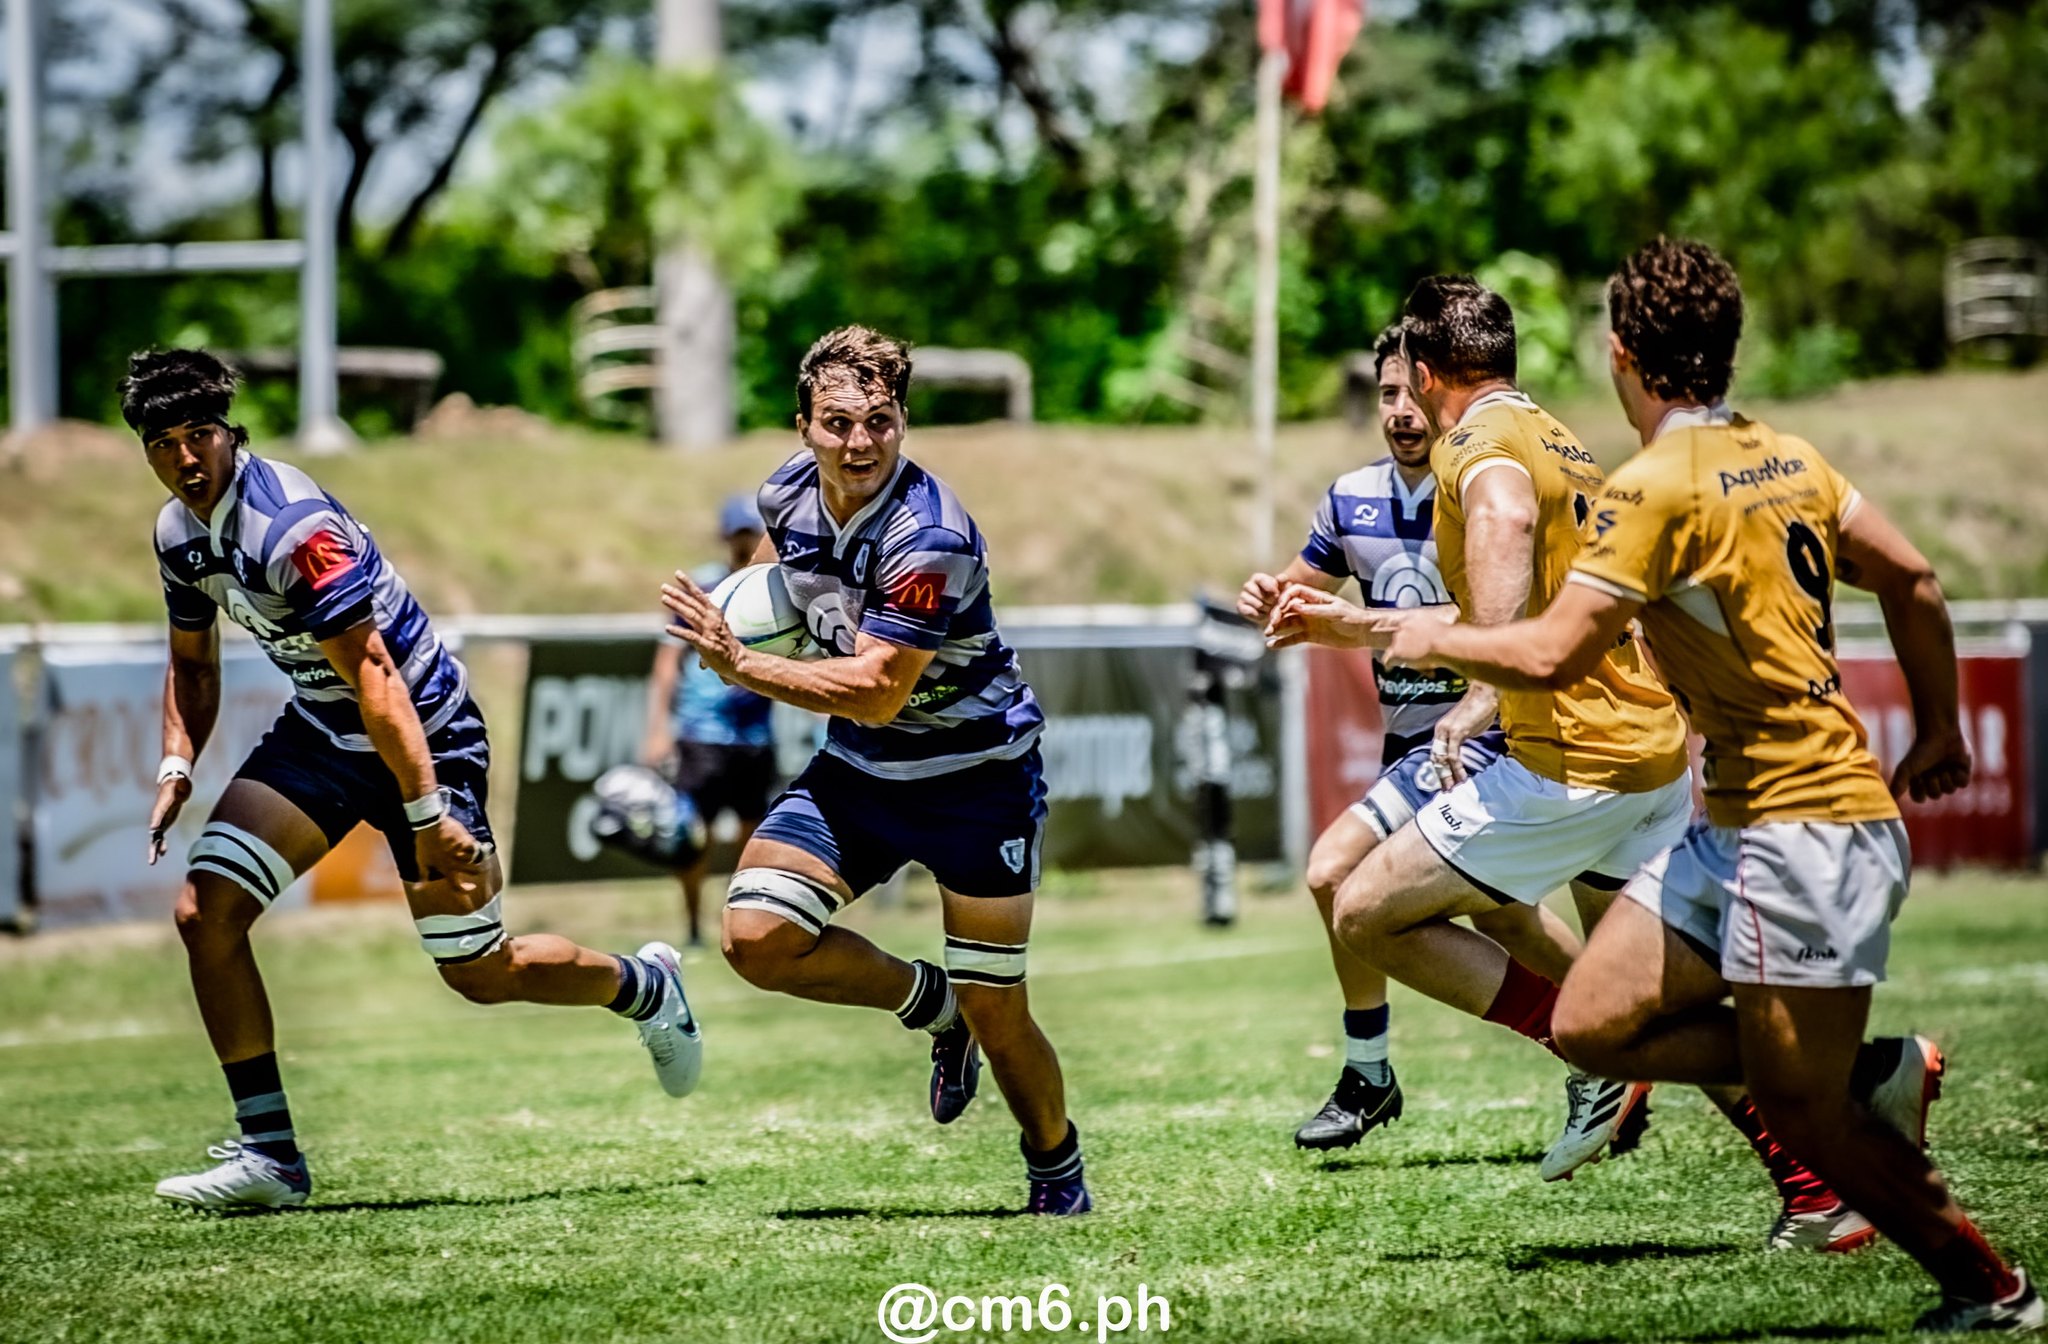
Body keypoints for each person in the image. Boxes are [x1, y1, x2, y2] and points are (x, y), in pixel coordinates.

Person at [1384, 239, 2038, 1328]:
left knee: (1802, 1108)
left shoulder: (1651, 488)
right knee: (1592, 1023)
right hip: (1734, 824)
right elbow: (1914, 578)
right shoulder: (1789, 458)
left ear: (1620, 354)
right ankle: (1866, 1071)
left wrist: (1411, 631)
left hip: (1803, 826)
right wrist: (1937, 728)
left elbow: (1547, 653)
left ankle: (1990, 1287)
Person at [127, 350, 700, 1212]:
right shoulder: (177, 533)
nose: (185, 458)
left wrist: (427, 815)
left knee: (480, 971)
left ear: (230, 433)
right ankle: (271, 1156)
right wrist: (178, 761)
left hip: (422, 732)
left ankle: (644, 986)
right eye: (163, 443)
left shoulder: (292, 528)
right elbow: (193, 663)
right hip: (324, 733)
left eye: (198, 434)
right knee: (206, 914)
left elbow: (376, 673)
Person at [1268, 275, 1696, 1182]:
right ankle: (1831, 1147)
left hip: (1568, 760)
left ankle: (1578, 1054)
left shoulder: (1475, 443)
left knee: (1362, 909)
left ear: (1426, 373)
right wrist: (1350, 625)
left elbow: (1502, 520)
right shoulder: (1558, 436)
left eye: (1405, 383)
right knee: (1635, 1000)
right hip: (1645, 750)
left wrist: (1483, 681)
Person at [659, 326, 1088, 1215]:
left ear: (903, 422)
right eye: (838, 422)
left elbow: (878, 691)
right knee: (755, 937)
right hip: (862, 772)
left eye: (880, 422)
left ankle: (1057, 1169)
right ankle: (932, 1008)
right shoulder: (785, 492)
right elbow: (779, 575)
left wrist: (743, 662)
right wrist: (743, 616)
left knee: (999, 1007)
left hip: (976, 776)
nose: (860, 443)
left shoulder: (929, 536)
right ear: (805, 426)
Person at [1239, 326, 1581, 1152]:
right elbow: (1300, 591)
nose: (1399, 410)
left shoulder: (1485, 482)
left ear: (1438, 391)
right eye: (1385, 393)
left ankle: (1369, 1071)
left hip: (1485, 736)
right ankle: (1618, 1043)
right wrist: (1271, 599)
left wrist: (1367, 627)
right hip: (1412, 748)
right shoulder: (1351, 499)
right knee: (1508, 922)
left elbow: (1502, 615)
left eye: (1409, 392)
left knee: (1333, 871)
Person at [643, 495, 778, 947]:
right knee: (692, 835)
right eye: (739, 534)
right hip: (703, 732)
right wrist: (658, 729)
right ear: (725, 537)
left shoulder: (774, 590)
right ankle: (693, 929)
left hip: (756, 734)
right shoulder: (703, 587)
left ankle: (740, 924)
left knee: (753, 837)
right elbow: (668, 661)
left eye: (752, 534)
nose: (746, 543)